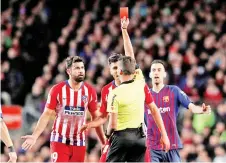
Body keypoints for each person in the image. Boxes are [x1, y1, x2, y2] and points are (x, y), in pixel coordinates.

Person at [79, 17, 151, 162]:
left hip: (137, 133)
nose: (118, 70)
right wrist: (90, 124)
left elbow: (131, 56)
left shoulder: (135, 81)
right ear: (110, 70)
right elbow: (104, 117)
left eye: (119, 67)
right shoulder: (107, 90)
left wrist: (124, 31)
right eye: (114, 68)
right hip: (117, 136)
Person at [21, 56, 105, 162]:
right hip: (59, 140)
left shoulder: (90, 91)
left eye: (82, 68)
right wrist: (34, 136)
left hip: (79, 141)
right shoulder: (57, 90)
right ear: (68, 71)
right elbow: (46, 114)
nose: (81, 71)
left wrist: (103, 141)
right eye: (77, 68)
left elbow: (96, 118)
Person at [105, 56, 170, 162]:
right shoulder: (140, 83)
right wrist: (164, 134)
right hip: (140, 139)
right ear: (134, 71)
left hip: (121, 138)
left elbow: (112, 124)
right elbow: (154, 109)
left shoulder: (114, 93)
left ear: (120, 72)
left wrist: (107, 134)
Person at [146, 59, 212, 162]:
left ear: (164, 74)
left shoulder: (174, 91)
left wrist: (201, 110)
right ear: (150, 74)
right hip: (152, 146)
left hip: (171, 144)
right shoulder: (144, 96)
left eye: (159, 70)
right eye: (153, 70)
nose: (156, 72)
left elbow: (191, 106)